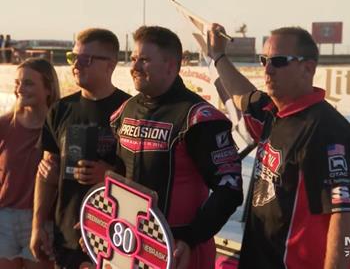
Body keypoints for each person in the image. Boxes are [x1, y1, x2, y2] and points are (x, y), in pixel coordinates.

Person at [208, 23, 350, 269]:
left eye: (279, 61)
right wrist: (218, 55)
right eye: (264, 60)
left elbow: (344, 218)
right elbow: (243, 95)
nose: (268, 69)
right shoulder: (273, 113)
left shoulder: (327, 129)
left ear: (308, 69)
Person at [109, 25, 243, 269]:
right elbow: (117, 179)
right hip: (129, 246)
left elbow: (230, 188)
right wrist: (101, 217)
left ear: (171, 65)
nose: (135, 67)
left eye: (145, 60)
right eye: (133, 59)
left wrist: (190, 239)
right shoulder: (123, 113)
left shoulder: (200, 118)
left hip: (181, 251)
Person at [30, 28, 130, 269]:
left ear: (110, 65)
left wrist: (109, 176)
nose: (76, 64)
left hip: (114, 238)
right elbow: (46, 173)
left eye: (85, 59)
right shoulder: (61, 109)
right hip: (67, 238)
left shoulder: (130, 111)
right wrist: (37, 225)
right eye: (72, 57)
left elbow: (144, 178)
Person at [0, 58, 60, 269]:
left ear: (48, 89)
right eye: (17, 83)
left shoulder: (59, 130)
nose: (20, 89)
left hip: (45, 222)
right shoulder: (4, 125)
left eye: (28, 83)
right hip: (4, 219)